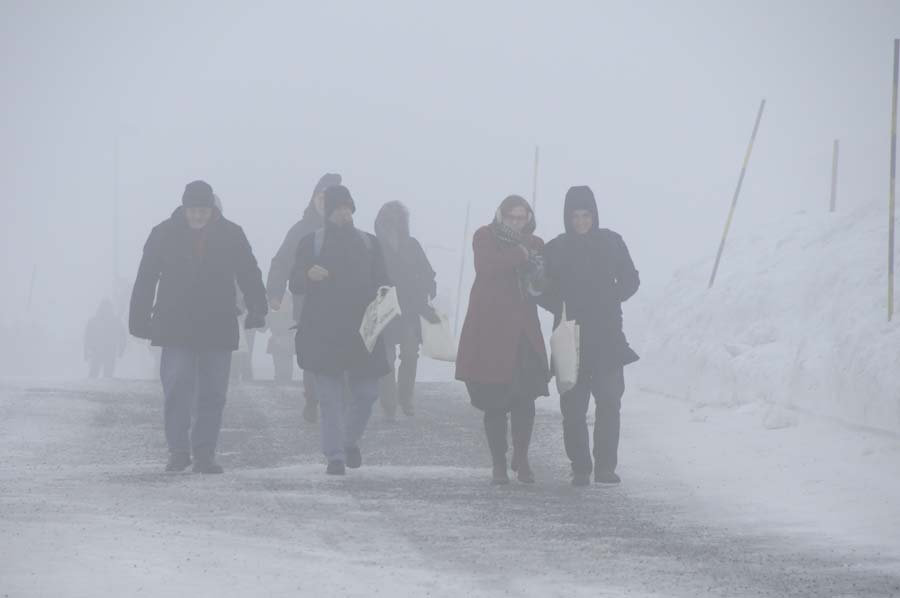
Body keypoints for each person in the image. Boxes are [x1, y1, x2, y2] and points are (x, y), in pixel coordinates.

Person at [129, 180, 267, 474]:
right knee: (177, 385)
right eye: (193, 210)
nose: (198, 216)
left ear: (212, 209)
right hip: (174, 324)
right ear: (184, 207)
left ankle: (204, 453)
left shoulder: (232, 234)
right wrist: (139, 319)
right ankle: (178, 450)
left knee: (214, 391)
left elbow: (249, 272)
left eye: (203, 210)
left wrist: (258, 307)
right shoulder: (162, 234)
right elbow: (146, 278)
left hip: (217, 323)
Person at [289, 184, 391, 475]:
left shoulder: (369, 243)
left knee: (368, 394)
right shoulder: (312, 243)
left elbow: (384, 279)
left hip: (364, 332)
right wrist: (307, 274)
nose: (344, 214)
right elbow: (294, 281)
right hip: (323, 332)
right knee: (330, 399)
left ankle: (348, 441)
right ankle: (334, 457)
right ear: (328, 212)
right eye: (338, 209)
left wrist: (385, 298)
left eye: (348, 208)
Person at [543, 185, 640, 486]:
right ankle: (581, 467)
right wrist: (561, 303)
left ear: (594, 215)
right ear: (567, 217)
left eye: (586, 215)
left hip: (608, 337)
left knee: (609, 402)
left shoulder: (611, 242)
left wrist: (611, 297)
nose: (581, 222)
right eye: (575, 216)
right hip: (569, 337)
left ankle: (605, 467)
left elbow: (631, 279)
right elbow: (539, 289)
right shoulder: (555, 249)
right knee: (573, 408)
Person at [455, 195, 550, 484]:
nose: (517, 223)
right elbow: (486, 267)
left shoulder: (535, 244)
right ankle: (498, 462)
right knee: (495, 401)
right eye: (512, 217)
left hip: (523, 334)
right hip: (490, 333)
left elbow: (542, 285)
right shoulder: (485, 236)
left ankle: (521, 459)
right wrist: (518, 256)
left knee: (525, 399)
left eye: (522, 218)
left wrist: (538, 275)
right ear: (501, 216)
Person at [268, 173, 342, 422]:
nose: (324, 201)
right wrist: (275, 293)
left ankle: (334, 398)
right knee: (311, 353)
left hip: (340, 304)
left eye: (329, 197)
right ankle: (311, 399)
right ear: (313, 199)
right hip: (307, 302)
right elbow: (281, 262)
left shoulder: (347, 230)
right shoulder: (299, 231)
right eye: (320, 196)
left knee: (337, 352)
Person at [373, 201, 438, 418]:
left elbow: (428, 272)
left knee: (410, 353)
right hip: (384, 309)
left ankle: (405, 396)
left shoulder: (412, 245)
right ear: (382, 223)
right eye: (391, 221)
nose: (395, 225)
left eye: (399, 221)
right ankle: (389, 401)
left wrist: (429, 289)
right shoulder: (375, 246)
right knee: (387, 358)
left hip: (410, 308)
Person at [84, 299, 126, 378]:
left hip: (108, 352)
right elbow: (87, 337)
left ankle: (96, 388)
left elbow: (122, 336)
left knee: (105, 376)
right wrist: (85, 351)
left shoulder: (114, 321)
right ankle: (94, 388)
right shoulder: (95, 321)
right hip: (98, 351)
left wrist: (122, 349)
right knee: (95, 375)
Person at [266, 293, 296, 384]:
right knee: (280, 364)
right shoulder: (274, 314)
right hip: (279, 341)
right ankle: (281, 380)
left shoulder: (292, 314)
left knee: (285, 364)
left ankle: (283, 380)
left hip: (286, 341)